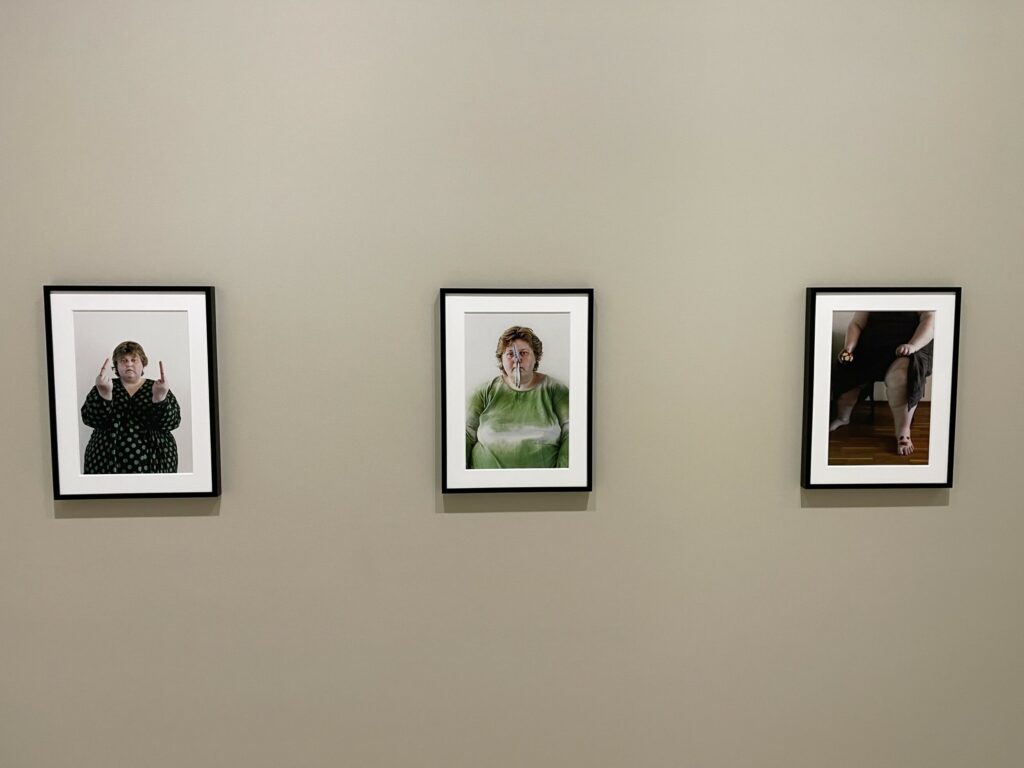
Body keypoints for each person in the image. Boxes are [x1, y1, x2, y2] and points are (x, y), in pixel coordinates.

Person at [829, 311, 935, 455]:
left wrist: (913, 346)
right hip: (871, 348)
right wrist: (849, 348)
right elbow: (856, 324)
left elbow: (929, 321)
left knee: (902, 376)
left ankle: (903, 431)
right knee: (847, 366)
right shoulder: (870, 298)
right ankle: (843, 417)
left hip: (908, 349)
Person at [466, 326, 569, 469]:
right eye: (510, 354)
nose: (517, 359)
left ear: (536, 357)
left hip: (542, 481)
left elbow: (573, 434)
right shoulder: (484, 391)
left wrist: (561, 475)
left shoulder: (556, 390)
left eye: (524, 353)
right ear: (501, 359)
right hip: (485, 481)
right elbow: (465, 434)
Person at [81, 341, 181, 473]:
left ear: (143, 363)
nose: (129, 364)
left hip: (156, 462)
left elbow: (172, 422)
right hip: (105, 462)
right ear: (116, 366)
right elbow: (90, 419)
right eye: (123, 360)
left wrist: (160, 398)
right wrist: (104, 394)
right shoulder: (103, 386)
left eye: (134, 360)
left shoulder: (159, 387)